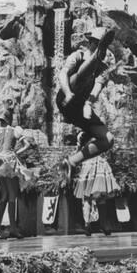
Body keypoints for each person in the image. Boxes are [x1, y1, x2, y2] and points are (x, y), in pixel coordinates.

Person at [56, 27, 116, 181]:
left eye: (101, 45)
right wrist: (68, 92)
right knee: (83, 76)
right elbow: (62, 74)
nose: (96, 45)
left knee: (108, 139)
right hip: (66, 96)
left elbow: (97, 87)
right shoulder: (77, 55)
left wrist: (89, 103)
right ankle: (95, 59)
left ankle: (70, 162)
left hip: (80, 107)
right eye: (96, 43)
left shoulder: (103, 68)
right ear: (90, 42)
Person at [0, 111, 33, 239]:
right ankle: (13, 228)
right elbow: (28, 145)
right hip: (9, 160)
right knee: (12, 195)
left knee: (4, 194)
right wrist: (17, 152)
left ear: (0, 120)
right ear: (9, 119)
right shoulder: (15, 130)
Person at [73, 131, 120, 236]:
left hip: (98, 165)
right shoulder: (83, 135)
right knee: (87, 196)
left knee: (101, 196)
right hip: (90, 165)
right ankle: (88, 225)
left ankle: (101, 224)